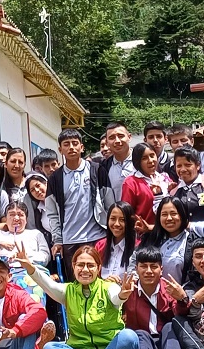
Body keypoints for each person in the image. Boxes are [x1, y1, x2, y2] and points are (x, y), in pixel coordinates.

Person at [18, 246, 137, 349]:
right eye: (80, 265)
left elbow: (117, 297)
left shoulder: (109, 287)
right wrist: (29, 267)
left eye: (90, 265)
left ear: (98, 268)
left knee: (129, 337)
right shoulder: (67, 291)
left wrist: (123, 295)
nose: (85, 270)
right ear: (73, 267)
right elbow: (47, 284)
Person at [120, 245, 204, 349]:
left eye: (153, 266)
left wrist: (182, 299)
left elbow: (180, 314)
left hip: (166, 342)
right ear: (136, 269)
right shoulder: (129, 290)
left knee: (170, 325)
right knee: (141, 333)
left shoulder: (169, 288)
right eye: (143, 266)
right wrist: (120, 297)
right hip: (144, 344)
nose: (149, 271)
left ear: (161, 269)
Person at [44, 127, 107, 269]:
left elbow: (108, 202)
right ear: (60, 150)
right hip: (70, 240)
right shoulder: (54, 178)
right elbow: (52, 213)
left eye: (74, 143)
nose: (71, 147)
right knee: (76, 284)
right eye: (66, 144)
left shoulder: (97, 170)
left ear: (82, 147)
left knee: (100, 281)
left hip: (97, 237)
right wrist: (58, 240)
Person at [0, 201, 51, 303]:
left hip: (30, 272)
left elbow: (45, 257)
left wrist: (25, 258)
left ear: (26, 219)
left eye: (20, 215)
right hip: (5, 273)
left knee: (31, 283)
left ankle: (33, 316)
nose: (16, 218)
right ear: (6, 219)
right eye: (12, 214)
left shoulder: (36, 234)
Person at [141, 197, 192, 285]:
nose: (169, 218)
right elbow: (135, 261)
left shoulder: (190, 241)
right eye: (164, 214)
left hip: (180, 296)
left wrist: (184, 295)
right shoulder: (150, 238)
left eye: (173, 214)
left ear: (182, 215)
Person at [120, 142, 168, 232]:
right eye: (144, 158)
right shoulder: (131, 182)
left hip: (167, 232)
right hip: (144, 235)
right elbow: (127, 213)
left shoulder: (163, 178)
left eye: (152, 155)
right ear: (137, 162)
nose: (150, 160)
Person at [95, 201, 138, 282]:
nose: (117, 224)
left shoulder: (138, 247)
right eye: (113, 219)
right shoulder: (100, 246)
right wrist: (104, 283)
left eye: (122, 220)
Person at [169, 148, 204, 223]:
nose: (183, 169)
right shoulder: (173, 192)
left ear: (198, 165)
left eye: (187, 165)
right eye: (179, 166)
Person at [95, 121, 134, 199]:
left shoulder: (142, 161)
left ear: (129, 137)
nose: (117, 141)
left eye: (120, 136)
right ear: (107, 142)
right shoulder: (104, 168)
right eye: (112, 137)